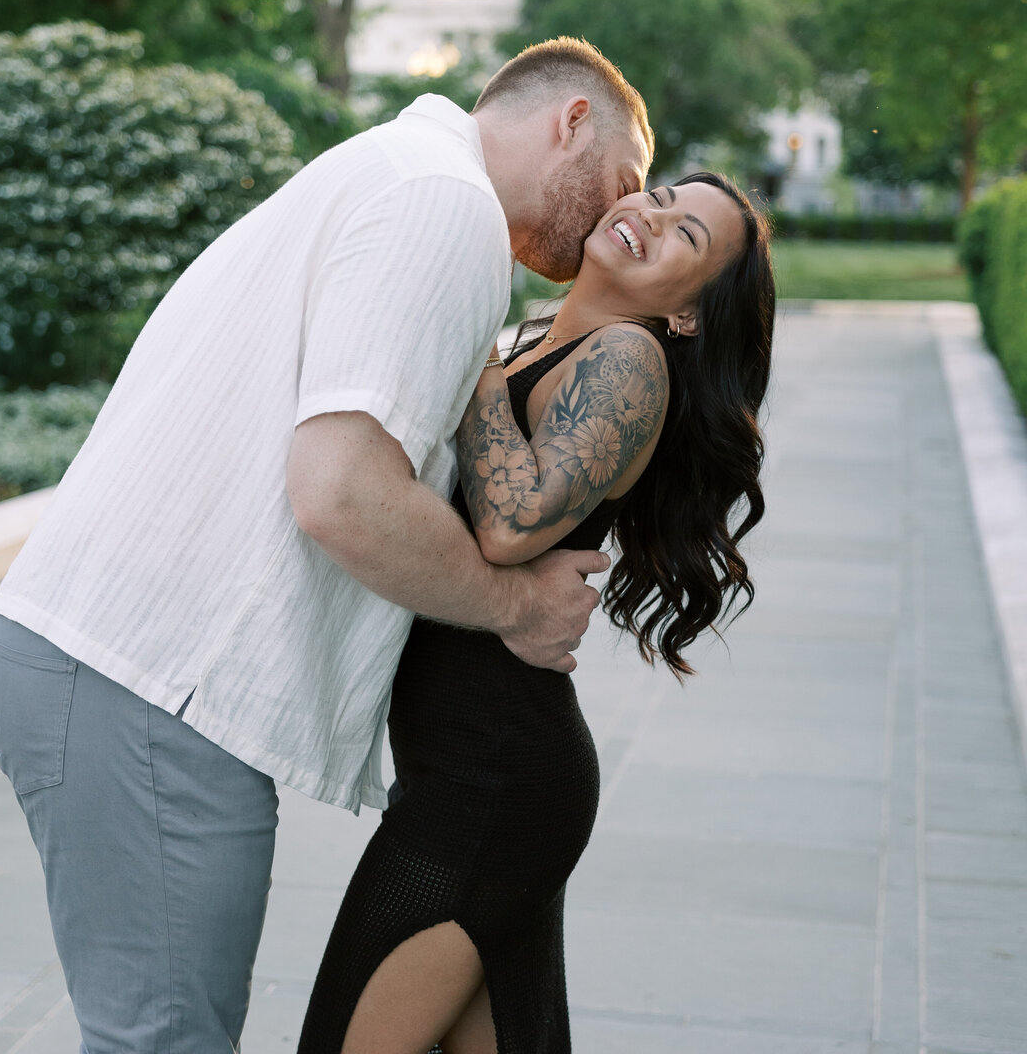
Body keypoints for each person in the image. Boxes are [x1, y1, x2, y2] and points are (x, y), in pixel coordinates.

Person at [0, 37, 652, 1054]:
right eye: (625, 180)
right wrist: (519, 606)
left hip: (120, 670)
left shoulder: (390, 171)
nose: (622, 214)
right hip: (147, 683)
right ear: (569, 124)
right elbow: (340, 492)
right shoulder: (445, 205)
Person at [297, 171, 774, 1054]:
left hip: (494, 782)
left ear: (691, 315)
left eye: (686, 237)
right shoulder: (536, 343)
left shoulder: (628, 357)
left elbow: (513, 522)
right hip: (484, 771)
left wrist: (470, 345)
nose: (650, 217)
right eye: (661, 196)